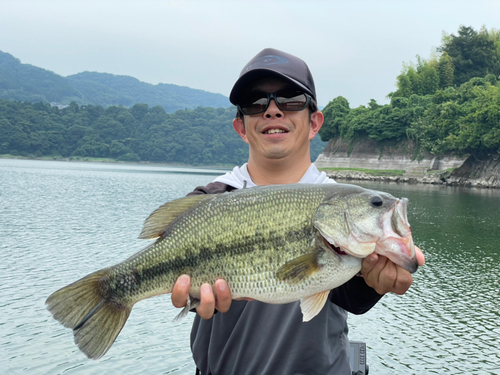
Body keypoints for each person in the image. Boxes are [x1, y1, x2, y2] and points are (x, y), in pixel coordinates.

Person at [171, 48, 425, 374]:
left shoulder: (344, 203)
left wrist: (375, 278)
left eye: (290, 99)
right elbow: (189, 287)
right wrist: (193, 299)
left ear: (314, 122)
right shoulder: (209, 201)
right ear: (240, 127)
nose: (273, 111)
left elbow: (351, 295)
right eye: (255, 102)